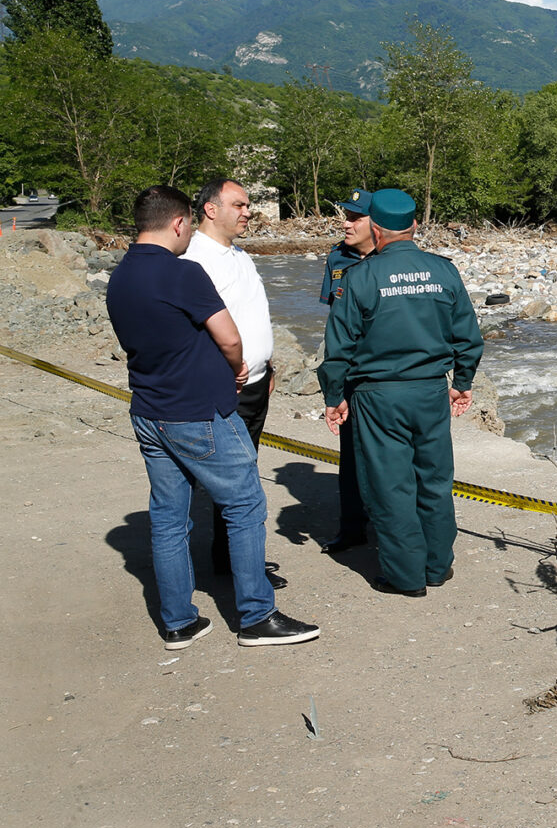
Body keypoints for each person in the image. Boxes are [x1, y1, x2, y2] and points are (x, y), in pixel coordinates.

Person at [106, 184, 319, 648]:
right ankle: (256, 617)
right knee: (245, 504)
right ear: (181, 222)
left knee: (167, 518)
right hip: (198, 409)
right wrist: (239, 367)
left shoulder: (119, 276)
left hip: (149, 408)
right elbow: (228, 337)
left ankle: (179, 621)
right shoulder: (183, 272)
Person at [317, 189, 483, 597]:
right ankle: (437, 566)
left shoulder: (361, 276)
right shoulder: (444, 271)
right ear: (414, 226)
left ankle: (405, 576)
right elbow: (468, 336)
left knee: (390, 485)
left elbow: (339, 347)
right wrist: (462, 383)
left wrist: (333, 395)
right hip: (429, 391)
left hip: (379, 395)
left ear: (375, 228)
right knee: (434, 479)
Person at [181, 178, 285, 589]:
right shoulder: (194, 259)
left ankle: (231, 560)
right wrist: (226, 368)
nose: (248, 212)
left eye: (248, 205)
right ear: (210, 208)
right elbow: (192, 326)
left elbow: (248, 313)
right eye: (239, 205)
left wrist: (266, 364)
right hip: (226, 386)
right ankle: (242, 570)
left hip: (255, 382)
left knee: (246, 472)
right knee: (236, 482)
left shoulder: (239, 254)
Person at [315, 188, 375, 554]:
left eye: (355, 217)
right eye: (345, 216)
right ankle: (352, 526)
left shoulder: (394, 258)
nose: (346, 223)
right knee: (350, 455)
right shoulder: (337, 257)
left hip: (384, 373)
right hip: (350, 373)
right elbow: (333, 322)